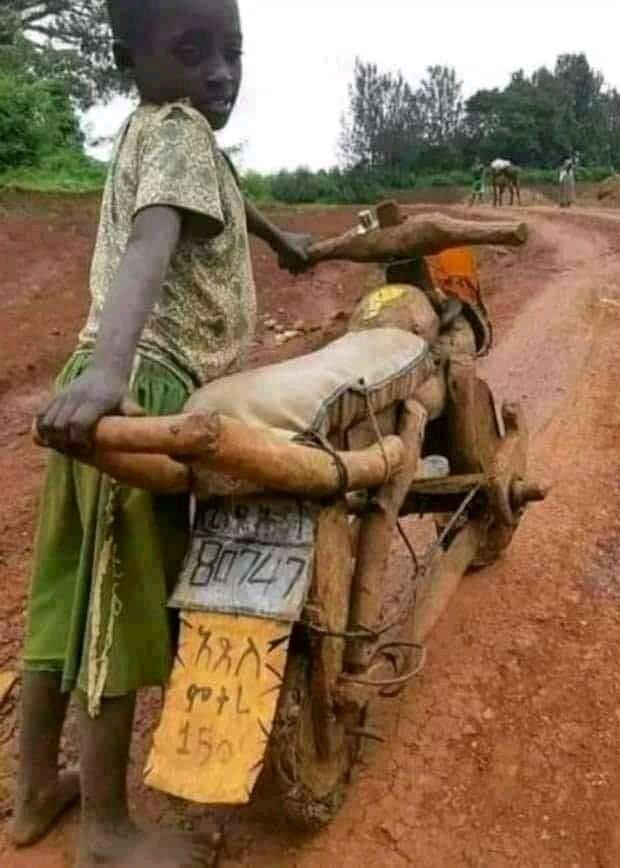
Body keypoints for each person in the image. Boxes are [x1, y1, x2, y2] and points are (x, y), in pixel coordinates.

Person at [12, 1, 314, 865]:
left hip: (96, 382)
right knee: (117, 605)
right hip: (140, 392)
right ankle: (106, 832)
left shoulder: (162, 129)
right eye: (192, 51)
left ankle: (34, 794)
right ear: (128, 57)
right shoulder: (180, 129)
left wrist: (280, 238)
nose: (220, 72)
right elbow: (153, 237)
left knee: (65, 595)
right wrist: (114, 377)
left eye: (232, 51)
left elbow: (222, 193)